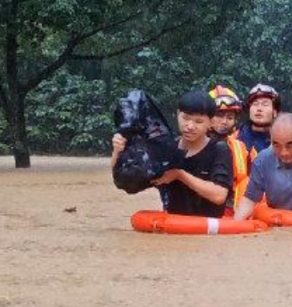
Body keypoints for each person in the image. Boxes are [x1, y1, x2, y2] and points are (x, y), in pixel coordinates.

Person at [111, 90, 232, 218]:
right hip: (172, 227)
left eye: (198, 121)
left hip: (207, 228)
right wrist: (117, 152)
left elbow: (219, 196)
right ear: (178, 115)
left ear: (210, 123)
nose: (190, 126)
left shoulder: (219, 149)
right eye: (185, 118)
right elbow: (126, 184)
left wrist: (179, 175)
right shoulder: (166, 146)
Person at [208, 85, 252, 214]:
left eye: (230, 117)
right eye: (219, 115)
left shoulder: (241, 149)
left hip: (232, 213)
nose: (224, 121)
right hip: (199, 212)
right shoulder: (193, 145)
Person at [235, 83, 281, 157]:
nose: (259, 109)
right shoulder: (235, 137)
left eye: (265, 104)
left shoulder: (283, 140)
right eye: (255, 104)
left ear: (275, 112)